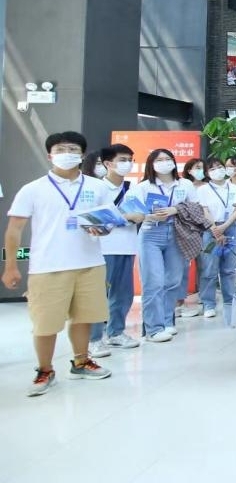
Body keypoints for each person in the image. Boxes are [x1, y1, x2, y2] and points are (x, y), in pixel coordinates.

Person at [4, 131, 115, 396]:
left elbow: (108, 221)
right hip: (48, 266)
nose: (67, 154)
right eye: (61, 149)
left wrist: (103, 228)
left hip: (89, 263)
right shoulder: (33, 189)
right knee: (45, 323)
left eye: (73, 149)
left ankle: (81, 362)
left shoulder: (97, 187)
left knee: (85, 317)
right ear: (50, 155)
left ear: (82, 155)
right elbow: (14, 229)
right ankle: (45, 369)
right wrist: (10, 266)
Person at [124, 149, 200, 342]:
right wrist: (149, 215)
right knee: (153, 282)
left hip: (178, 232)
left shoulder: (185, 184)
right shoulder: (143, 187)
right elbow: (130, 212)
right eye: (159, 160)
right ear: (151, 164)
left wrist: (175, 209)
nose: (164, 162)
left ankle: (167, 321)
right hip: (151, 233)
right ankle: (153, 328)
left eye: (168, 159)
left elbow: (196, 208)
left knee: (173, 280)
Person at [89, 144, 140, 356]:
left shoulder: (133, 188)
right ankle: (93, 339)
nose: (127, 163)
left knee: (123, 294)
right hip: (102, 248)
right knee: (99, 295)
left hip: (127, 246)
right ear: (108, 163)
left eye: (129, 159)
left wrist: (121, 218)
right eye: (122, 159)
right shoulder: (95, 188)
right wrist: (125, 217)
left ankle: (116, 333)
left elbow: (140, 214)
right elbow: (93, 218)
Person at [196, 157, 236, 324]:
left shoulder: (234, 187)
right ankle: (208, 304)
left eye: (220, 167)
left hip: (231, 227)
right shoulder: (203, 189)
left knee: (230, 268)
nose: (217, 171)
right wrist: (215, 228)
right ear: (207, 173)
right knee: (209, 267)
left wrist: (226, 225)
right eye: (212, 169)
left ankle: (229, 301)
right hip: (210, 229)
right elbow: (204, 210)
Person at [175, 158, 208, 319]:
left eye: (202, 167)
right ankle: (178, 302)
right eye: (197, 167)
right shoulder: (183, 186)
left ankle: (205, 296)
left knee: (206, 265)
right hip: (185, 232)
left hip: (205, 229)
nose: (201, 170)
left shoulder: (209, 187)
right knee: (181, 268)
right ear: (189, 170)